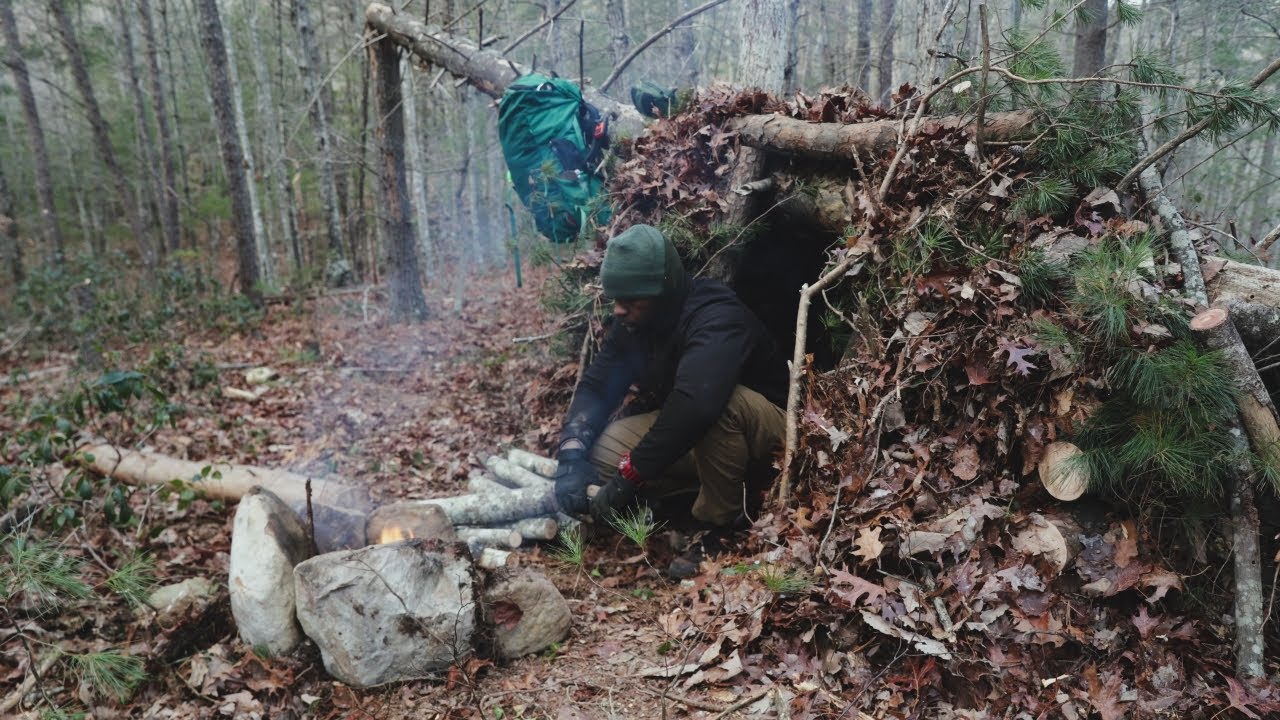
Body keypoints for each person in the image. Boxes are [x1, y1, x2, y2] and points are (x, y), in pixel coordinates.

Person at [552, 224, 788, 574]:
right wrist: (571, 453)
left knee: (722, 405)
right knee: (602, 453)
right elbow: (598, 385)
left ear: (663, 292)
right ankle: (683, 502)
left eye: (632, 301)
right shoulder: (637, 322)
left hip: (772, 435)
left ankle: (720, 527)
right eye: (616, 299)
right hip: (703, 435)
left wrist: (629, 478)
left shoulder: (716, 317)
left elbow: (697, 404)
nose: (619, 310)